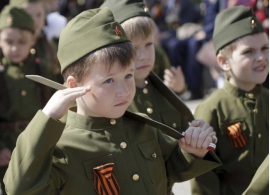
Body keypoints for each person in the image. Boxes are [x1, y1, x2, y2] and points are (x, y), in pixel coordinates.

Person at [4, 7, 222, 195]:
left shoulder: (143, 126)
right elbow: (20, 189)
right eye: (108, 80)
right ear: (73, 86)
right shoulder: (61, 146)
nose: (124, 90)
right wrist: (47, 118)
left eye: (128, 75)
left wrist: (193, 149)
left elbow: (170, 169)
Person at [190, 5, 269, 195]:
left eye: (265, 48)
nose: (261, 57)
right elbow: (202, 174)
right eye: (248, 52)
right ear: (224, 62)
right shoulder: (211, 109)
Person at [100, 0, 189, 135]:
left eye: (149, 44)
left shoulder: (158, 55)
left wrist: (178, 89)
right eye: (134, 48)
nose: (143, 56)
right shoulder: (112, 99)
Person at [0, 5, 56, 194]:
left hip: (39, 145)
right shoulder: (1, 75)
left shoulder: (44, 71)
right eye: (8, 41)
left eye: (22, 41)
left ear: (33, 40)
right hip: (7, 151)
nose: (14, 48)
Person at [9, 0, 63, 83]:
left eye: (39, 15)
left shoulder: (51, 44)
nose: (35, 21)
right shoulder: (8, 46)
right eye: (27, 15)